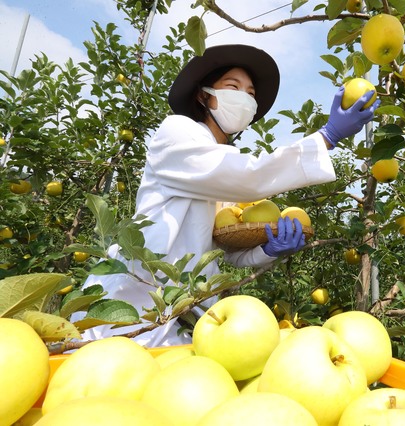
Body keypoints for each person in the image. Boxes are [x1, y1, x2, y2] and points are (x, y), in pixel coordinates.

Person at [75, 44, 379, 347]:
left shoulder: (226, 162)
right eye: (233, 87)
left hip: (184, 319)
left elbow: (226, 249)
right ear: (203, 94)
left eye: (250, 93)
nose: (244, 98)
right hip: (130, 308)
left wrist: (269, 251)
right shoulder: (178, 132)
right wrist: (325, 138)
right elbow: (250, 176)